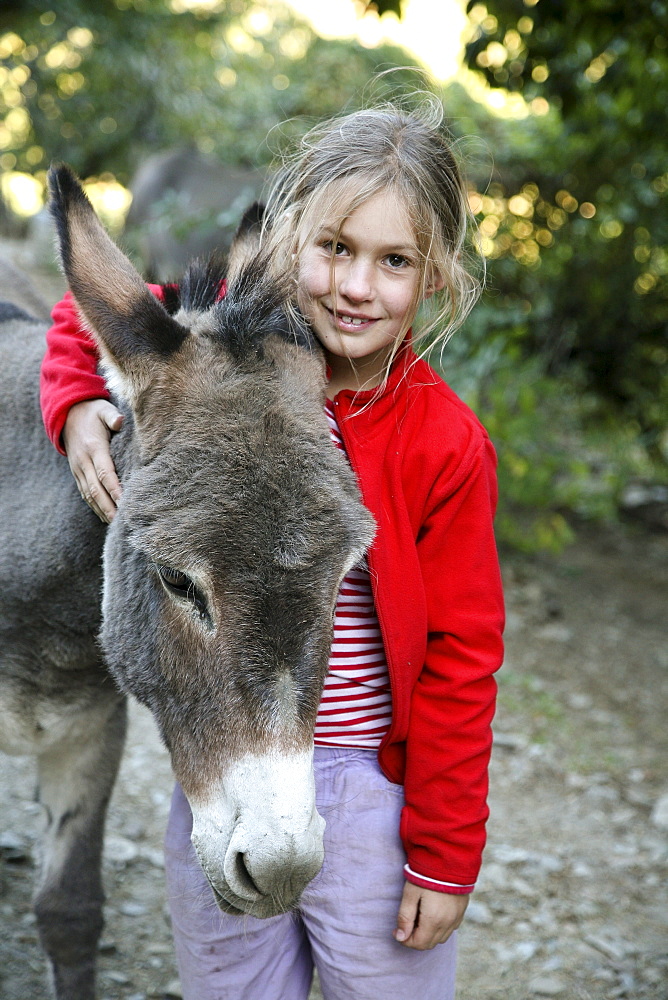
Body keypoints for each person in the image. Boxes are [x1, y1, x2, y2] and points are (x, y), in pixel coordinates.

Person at [40, 100, 504, 1000]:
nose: (356, 287)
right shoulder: (238, 353)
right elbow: (99, 317)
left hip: (373, 794)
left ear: (436, 275)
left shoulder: (446, 444)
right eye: (335, 249)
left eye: (394, 261)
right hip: (219, 768)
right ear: (290, 242)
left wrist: (445, 860)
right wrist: (72, 406)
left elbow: (462, 657)